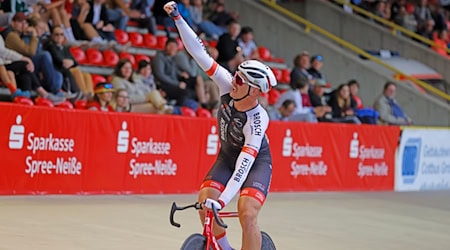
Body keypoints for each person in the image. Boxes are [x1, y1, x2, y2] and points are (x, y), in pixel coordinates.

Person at [164, 2, 277, 249]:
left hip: (254, 164)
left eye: (240, 80)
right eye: (235, 75)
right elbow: (200, 54)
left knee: (246, 214)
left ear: (255, 90)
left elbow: (243, 168)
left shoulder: (258, 120)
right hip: (227, 157)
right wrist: (178, 19)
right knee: (205, 205)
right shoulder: (227, 83)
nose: (233, 80)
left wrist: (224, 200)